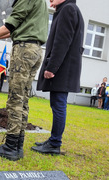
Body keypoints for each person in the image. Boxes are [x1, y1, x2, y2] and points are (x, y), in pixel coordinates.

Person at [0, 0, 48, 161]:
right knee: (23, 99)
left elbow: (9, 26)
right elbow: (13, 29)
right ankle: (17, 146)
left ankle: (10, 147)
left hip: (23, 50)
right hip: (35, 50)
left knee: (15, 99)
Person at [31, 0, 84, 154]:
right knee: (57, 104)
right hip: (65, 68)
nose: (50, 1)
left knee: (59, 104)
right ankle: (54, 140)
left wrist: (51, 67)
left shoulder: (68, 9)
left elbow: (62, 42)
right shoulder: (69, 8)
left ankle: (54, 144)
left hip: (62, 69)